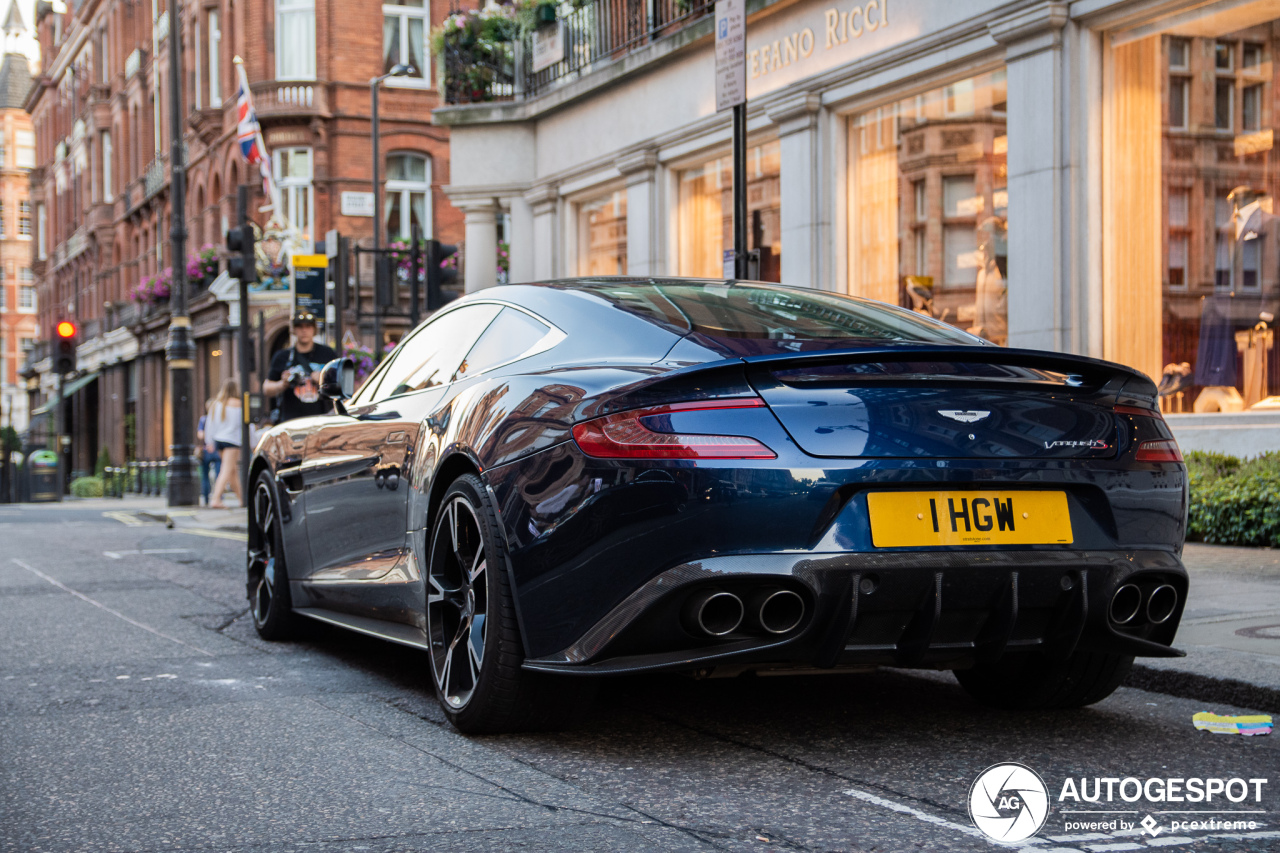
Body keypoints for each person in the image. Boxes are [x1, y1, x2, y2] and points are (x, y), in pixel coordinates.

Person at [263, 311, 338, 424]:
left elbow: (339, 387)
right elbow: (266, 388)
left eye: (308, 326)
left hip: (321, 419)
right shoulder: (283, 356)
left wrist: (323, 379)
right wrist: (283, 384)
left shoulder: (327, 354)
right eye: (300, 327)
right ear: (294, 330)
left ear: (314, 329)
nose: (304, 330)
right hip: (291, 420)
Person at [206, 379, 243, 509]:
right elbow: (245, 425)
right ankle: (216, 499)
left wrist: (209, 441)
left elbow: (209, 425)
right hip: (232, 441)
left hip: (219, 440)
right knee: (226, 469)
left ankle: (242, 499)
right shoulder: (239, 404)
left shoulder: (216, 404)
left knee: (232, 471)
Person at [195, 398, 222, 506]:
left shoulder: (204, 419)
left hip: (206, 449)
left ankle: (206, 499)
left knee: (205, 475)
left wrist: (208, 438)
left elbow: (200, 435)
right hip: (216, 449)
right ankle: (219, 497)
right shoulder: (219, 419)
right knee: (219, 474)